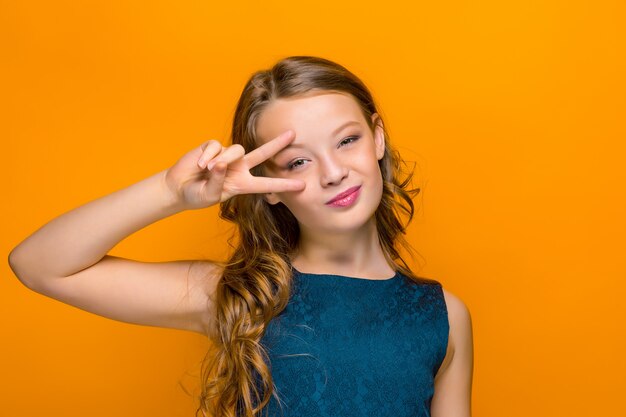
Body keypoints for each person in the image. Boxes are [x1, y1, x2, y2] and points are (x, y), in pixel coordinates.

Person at [8, 55, 473, 417]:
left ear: (377, 138)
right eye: (298, 161)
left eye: (346, 140)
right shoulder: (242, 296)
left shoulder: (443, 316)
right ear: (265, 185)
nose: (333, 173)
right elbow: (38, 265)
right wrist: (170, 193)